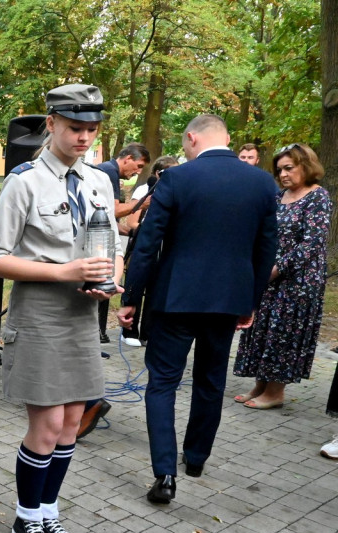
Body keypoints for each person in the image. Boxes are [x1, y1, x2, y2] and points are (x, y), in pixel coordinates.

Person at [0, 84, 119, 533]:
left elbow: (111, 247)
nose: (84, 137)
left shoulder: (100, 181)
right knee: (45, 426)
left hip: (83, 316)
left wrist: (111, 282)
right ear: (52, 125)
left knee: (70, 426)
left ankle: (47, 511)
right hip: (40, 316)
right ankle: (25, 521)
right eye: (75, 128)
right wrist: (63, 272)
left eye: (91, 129)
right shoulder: (25, 182)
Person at [118, 114, 278, 504]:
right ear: (227, 138)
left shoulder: (176, 178)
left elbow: (146, 244)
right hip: (227, 301)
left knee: (162, 383)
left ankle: (165, 473)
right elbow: (265, 248)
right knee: (210, 380)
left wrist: (130, 299)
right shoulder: (261, 182)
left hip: (175, 298)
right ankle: (196, 458)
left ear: (192, 138)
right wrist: (250, 301)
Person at [233, 144, 330, 409]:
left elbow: (312, 242)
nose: (284, 174)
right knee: (263, 330)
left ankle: (275, 392)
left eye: (289, 168)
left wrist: (277, 268)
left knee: (283, 334)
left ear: (306, 166)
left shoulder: (317, 196)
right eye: (280, 170)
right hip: (269, 277)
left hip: (298, 281)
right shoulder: (279, 196)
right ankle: (260, 385)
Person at [120, 155, 180, 347]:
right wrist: (150, 232)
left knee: (156, 287)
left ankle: (148, 331)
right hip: (145, 242)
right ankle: (129, 330)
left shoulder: (178, 192)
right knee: (138, 283)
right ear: (157, 173)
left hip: (164, 245)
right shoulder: (145, 190)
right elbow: (132, 221)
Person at [95, 143, 150, 344]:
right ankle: (96, 335)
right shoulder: (109, 172)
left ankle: (98, 335)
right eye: (138, 165)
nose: (138, 171)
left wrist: (135, 232)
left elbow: (108, 220)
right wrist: (141, 204)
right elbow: (113, 211)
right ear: (127, 158)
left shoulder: (108, 171)